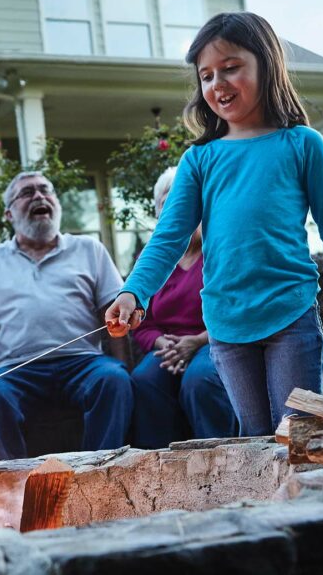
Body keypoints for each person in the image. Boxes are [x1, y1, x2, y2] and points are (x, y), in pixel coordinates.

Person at [107, 12, 323, 437]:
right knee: (253, 445)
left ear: (266, 65)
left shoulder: (302, 144)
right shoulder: (199, 159)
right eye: (207, 75)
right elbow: (167, 239)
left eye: (231, 68)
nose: (218, 83)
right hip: (227, 327)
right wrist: (132, 291)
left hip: (290, 317)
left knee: (297, 440)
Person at [0, 171, 133, 461]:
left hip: (84, 364)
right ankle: (15, 487)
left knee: (114, 380)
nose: (38, 196)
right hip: (16, 370)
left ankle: (98, 472)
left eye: (45, 190)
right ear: (8, 214)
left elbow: (113, 314)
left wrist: (125, 369)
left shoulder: (89, 249)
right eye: (26, 193)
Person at [130, 167, 238, 448]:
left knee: (200, 381)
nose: (179, 207)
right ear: (158, 213)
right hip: (168, 347)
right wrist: (161, 342)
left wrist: (198, 341)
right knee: (143, 380)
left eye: (186, 198)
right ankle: (159, 466)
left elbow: (235, 309)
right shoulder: (150, 258)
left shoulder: (221, 249)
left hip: (215, 341)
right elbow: (143, 322)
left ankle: (220, 460)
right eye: (169, 201)